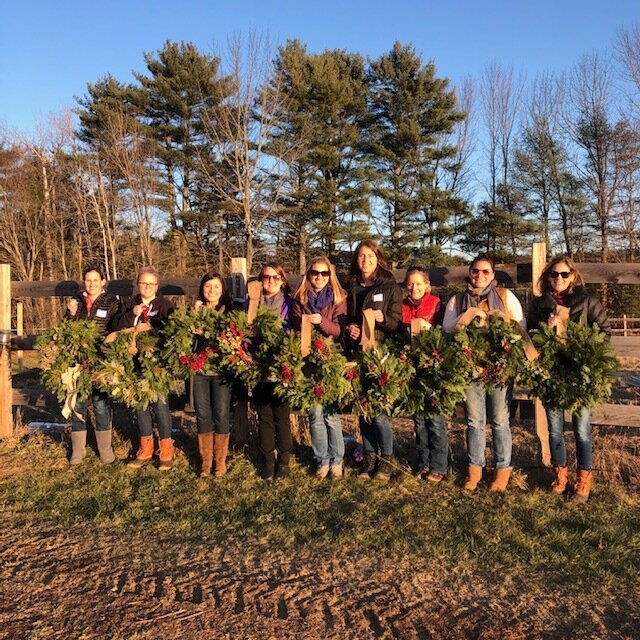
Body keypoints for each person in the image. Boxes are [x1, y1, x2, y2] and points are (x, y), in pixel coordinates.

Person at [527, 255, 611, 502]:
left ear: (573, 275)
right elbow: (530, 336)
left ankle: (583, 481)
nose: (559, 279)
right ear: (547, 277)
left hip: (579, 373)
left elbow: (604, 331)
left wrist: (586, 349)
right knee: (554, 430)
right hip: (552, 373)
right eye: (554, 274)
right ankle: (560, 477)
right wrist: (547, 326)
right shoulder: (539, 304)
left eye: (564, 274)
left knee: (582, 430)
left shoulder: (587, 300)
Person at [443, 254, 525, 492]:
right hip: (470, 368)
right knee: (474, 421)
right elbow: (447, 328)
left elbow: (521, 327)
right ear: (470, 273)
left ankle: (502, 470)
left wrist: (501, 322)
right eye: (475, 271)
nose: (479, 276)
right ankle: (475, 469)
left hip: (498, 368)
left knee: (500, 420)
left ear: (493, 275)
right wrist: (467, 316)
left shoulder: (505, 297)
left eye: (485, 271)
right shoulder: (457, 301)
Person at [345, 240, 402, 482]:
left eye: (370, 255)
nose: (365, 260)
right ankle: (369, 458)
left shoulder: (389, 287)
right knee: (362, 410)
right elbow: (345, 318)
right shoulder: (350, 287)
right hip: (356, 356)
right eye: (361, 256)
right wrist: (350, 329)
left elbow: (396, 322)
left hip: (380, 356)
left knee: (378, 412)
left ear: (378, 258)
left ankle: (386, 459)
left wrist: (382, 318)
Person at [113, 266, 175, 471]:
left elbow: (172, 331)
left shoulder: (165, 306)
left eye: (151, 283)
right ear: (137, 285)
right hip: (134, 364)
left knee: (160, 405)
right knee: (139, 405)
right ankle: (145, 448)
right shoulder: (128, 305)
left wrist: (151, 330)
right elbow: (116, 329)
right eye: (143, 283)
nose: (147, 287)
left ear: (156, 286)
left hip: (156, 365)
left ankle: (166, 448)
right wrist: (132, 315)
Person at [292, 257, 347, 480]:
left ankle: (337, 460)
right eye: (315, 272)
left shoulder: (338, 298)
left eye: (324, 274)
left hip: (330, 361)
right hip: (308, 363)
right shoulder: (299, 298)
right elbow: (295, 328)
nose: (319, 277)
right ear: (309, 274)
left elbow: (338, 330)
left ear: (330, 276)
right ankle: (321, 460)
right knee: (314, 414)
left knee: (331, 415)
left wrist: (319, 322)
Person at [65, 265, 121, 465]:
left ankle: (105, 448)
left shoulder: (111, 302)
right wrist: (71, 314)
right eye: (88, 280)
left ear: (103, 281)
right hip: (79, 361)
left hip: (100, 360)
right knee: (78, 403)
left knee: (100, 404)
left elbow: (115, 329)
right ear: (83, 282)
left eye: (95, 280)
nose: (92, 283)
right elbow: (67, 330)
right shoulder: (77, 301)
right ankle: (78, 450)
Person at [401, 266, 447, 482]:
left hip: (432, 367)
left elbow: (444, 333)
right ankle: (423, 462)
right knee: (418, 419)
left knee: (435, 419)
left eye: (419, 283)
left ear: (427, 285)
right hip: (412, 368)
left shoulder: (436, 304)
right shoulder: (403, 307)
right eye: (410, 283)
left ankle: (440, 464)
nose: (414, 287)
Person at [253, 262, 294, 480]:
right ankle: (268, 459)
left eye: (275, 277)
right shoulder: (251, 304)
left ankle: (284, 459)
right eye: (266, 277)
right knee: (264, 414)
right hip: (257, 365)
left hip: (280, 365)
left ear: (282, 280)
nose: (270, 281)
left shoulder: (288, 303)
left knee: (282, 414)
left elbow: (292, 330)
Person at [192, 273, 233, 478]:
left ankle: (220, 460)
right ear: (202, 288)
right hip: (200, 370)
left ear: (222, 289)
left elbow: (232, 338)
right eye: (208, 286)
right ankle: (206, 461)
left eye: (216, 287)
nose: (212, 290)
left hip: (221, 370)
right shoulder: (195, 311)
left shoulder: (228, 311)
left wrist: (208, 331)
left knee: (221, 413)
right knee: (202, 413)